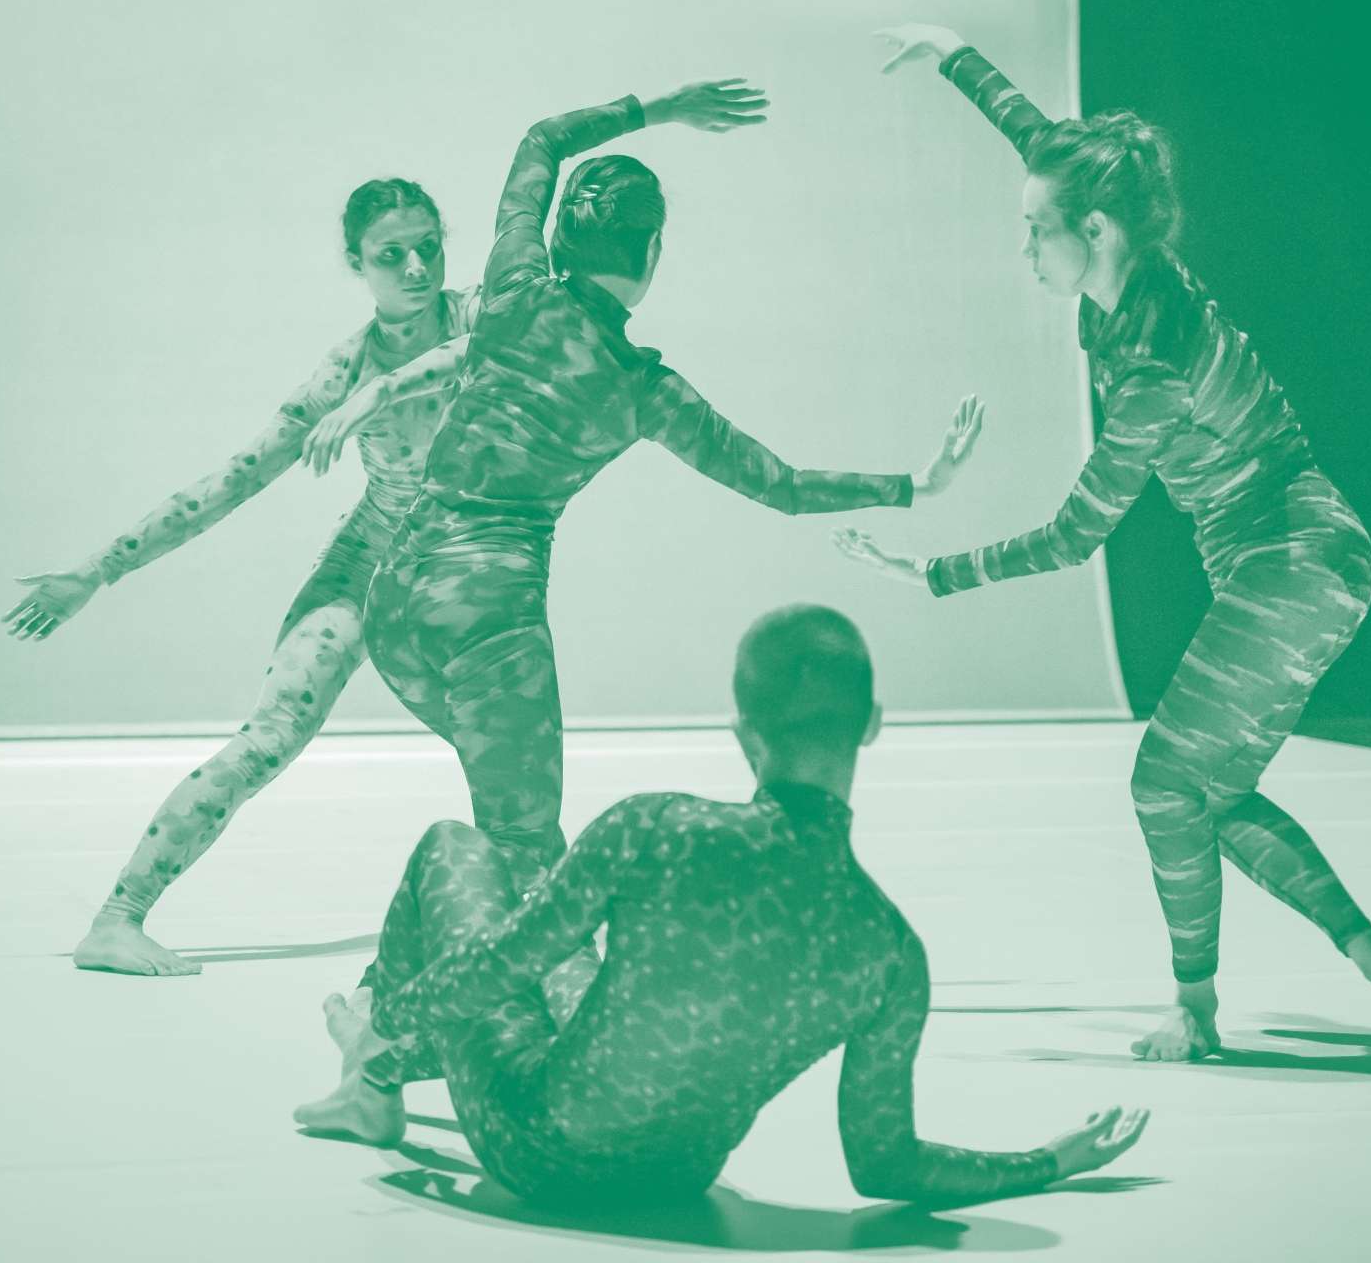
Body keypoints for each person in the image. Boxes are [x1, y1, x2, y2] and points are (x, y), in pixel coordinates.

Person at [835, 26, 1371, 1062]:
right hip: (1311, 557)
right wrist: (954, 54)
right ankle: (1368, 952)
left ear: (1093, 230)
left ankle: (1195, 1008)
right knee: (1206, 795)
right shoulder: (1126, 261)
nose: (1023, 247)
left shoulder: (1152, 364)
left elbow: (1077, 533)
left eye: (1034, 230)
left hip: (1292, 558)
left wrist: (937, 573)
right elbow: (1036, 137)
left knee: (1161, 783)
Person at [361, 78, 982, 909]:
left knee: (504, 816)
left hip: (393, 601)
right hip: (487, 619)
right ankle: (451, 978)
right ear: (652, 254)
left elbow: (542, 139)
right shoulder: (642, 389)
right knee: (527, 854)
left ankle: (427, 960)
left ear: (561, 235)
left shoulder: (511, 282)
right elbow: (784, 486)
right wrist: (915, 485)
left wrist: (659, 110)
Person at [295, 605, 1149, 1206]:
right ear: (872, 725)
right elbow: (884, 1167)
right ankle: (395, 1063)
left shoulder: (656, 829)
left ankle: (371, 1081)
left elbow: (492, 970)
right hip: (677, 1181)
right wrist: (1047, 1161)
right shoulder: (888, 950)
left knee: (457, 847)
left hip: (537, 1152)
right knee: (574, 960)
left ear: (744, 732)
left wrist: (386, 1023)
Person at [4, 180, 480, 976]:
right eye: (390, 254)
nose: (416, 266)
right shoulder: (343, 368)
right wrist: (96, 571)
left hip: (463, 573)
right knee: (269, 738)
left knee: (499, 746)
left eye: (428, 245)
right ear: (355, 263)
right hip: (367, 568)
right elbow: (231, 482)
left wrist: (383, 391)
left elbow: (505, 345)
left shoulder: (483, 316)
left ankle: (536, 923)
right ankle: (116, 920)